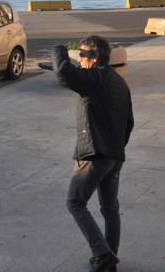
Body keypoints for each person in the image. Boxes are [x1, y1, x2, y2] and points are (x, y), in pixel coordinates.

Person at [52, 35, 134, 272]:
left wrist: (58, 48)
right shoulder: (120, 83)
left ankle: (102, 255)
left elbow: (64, 73)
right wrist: (116, 148)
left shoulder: (95, 77)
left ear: (95, 57)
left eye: (82, 55)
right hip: (115, 156)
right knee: (110, 210)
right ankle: (109, 258)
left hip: (95, 154)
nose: (80, 59)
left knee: (75, 202)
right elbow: (129, 122)